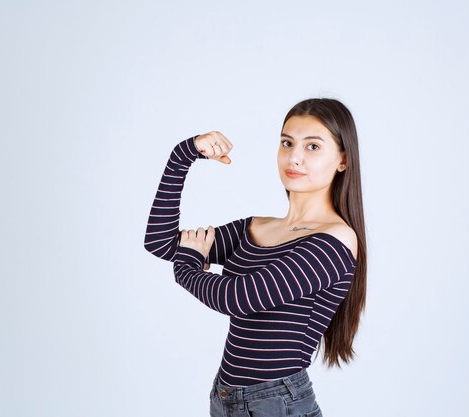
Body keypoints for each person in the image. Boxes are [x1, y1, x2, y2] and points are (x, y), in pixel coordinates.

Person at [144, 98, 366, 417]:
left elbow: (237, 298)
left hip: (276, 403)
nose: (295, 157)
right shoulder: (256, 228)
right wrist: (182, 156)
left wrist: (187, 267)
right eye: (287, 143)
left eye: (313, 147)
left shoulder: (336, 240)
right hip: (226, 396)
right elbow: (160, 242)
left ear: (342, 160)